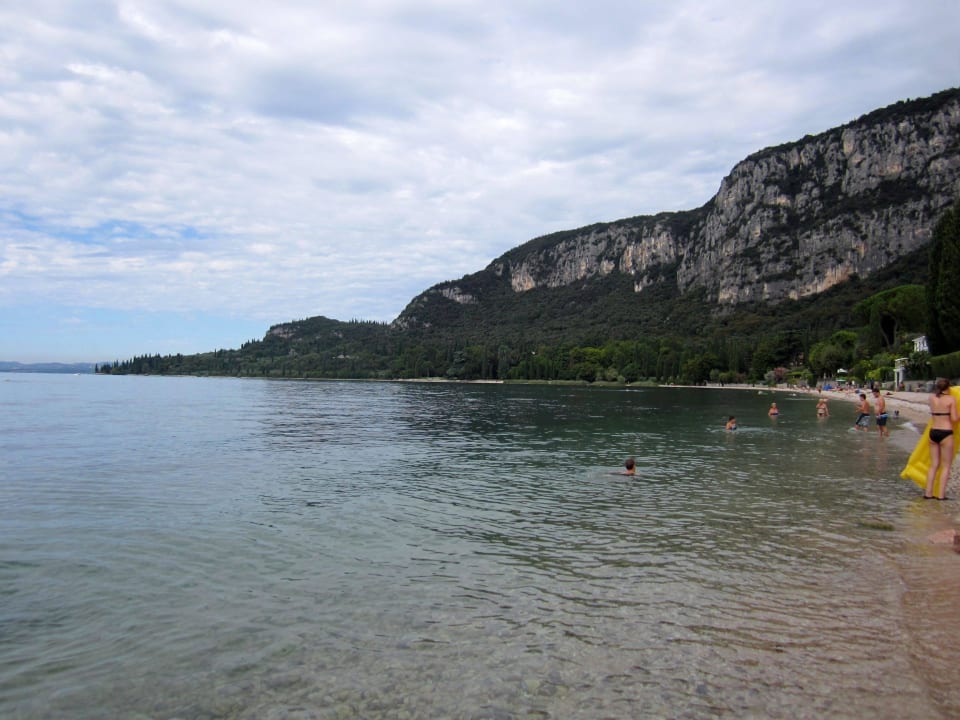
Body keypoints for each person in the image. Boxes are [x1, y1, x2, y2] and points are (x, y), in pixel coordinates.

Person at [925, 378, 959, 500]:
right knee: (946, 466)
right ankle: (941, 496)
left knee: (934, 465)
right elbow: (954, 419)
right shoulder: (951, 399)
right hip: (946, 433)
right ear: (948, 387)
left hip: (933, 432)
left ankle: (928, 494)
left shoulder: (931, 398)